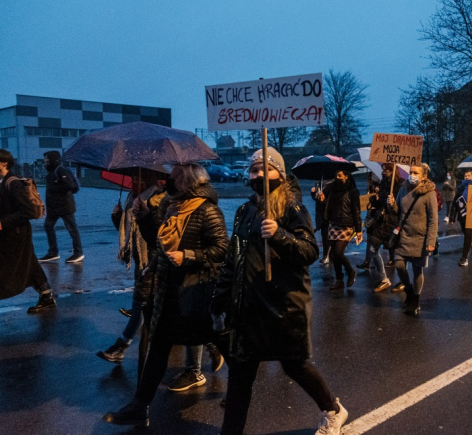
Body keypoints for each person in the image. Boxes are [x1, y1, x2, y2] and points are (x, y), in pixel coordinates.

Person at [214, 147, 348, 435]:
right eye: (254, 169)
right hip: (249, 310)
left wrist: (278, 234)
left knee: (295, 366)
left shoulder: (292, 209)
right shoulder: (244, 211)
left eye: (266, 168)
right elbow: (233, 258)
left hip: (284, 306)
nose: (259, 174)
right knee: (239, 377)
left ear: (281, 174)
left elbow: (310, 250)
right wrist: (220, 299)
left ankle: (333, 410)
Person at [103, 163, 228, 428]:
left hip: (197, 293)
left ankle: (238, 389)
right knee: (158, 348)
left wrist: (190, 256)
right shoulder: (172, 208)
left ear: (186, 183)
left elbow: (221, 250)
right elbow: (160, 243)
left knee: (218, 340)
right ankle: (140, 405)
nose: (167, 182)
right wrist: (145, 217)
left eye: (173, 178)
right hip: (169, 291)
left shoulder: (207, 211)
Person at [96, 173, 165, 364]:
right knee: (149, 307)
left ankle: (121, 346)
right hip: (139, 260)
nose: (133, 182)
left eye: (136, 179)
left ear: (147, 180)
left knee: (140, 305)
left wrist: (144, 214)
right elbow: (128, 231)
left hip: (151, 261)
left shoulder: (158, 200)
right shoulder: (132, 198)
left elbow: (157, 235)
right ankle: (208, 343)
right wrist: (117, 217)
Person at [0, 149, 57, 313]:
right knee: (30, 263)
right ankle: (46, 295)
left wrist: (3, 223)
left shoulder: (13, 183)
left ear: (4, 163)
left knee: (9, 266)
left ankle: (46, 296)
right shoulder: (4, 181)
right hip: (13, 233)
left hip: (16, 234)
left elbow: (28, 211)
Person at [387, 163, 438, 316]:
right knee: (399, 265)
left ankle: (415, 299)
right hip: (403, 236)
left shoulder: (429, 194)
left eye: (416, 172)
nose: (412, 175)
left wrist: (431, 241)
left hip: (420, 239)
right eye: (410, 172)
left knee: (417, 270)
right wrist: (391, 205)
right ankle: (408, 291)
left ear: (423, 176)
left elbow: (433, 219)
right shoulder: (403, 189)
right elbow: (398, 212)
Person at [319, 169, 362, 290]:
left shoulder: (353, 191)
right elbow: (326, 204)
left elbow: (356, 210)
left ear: (346, 177)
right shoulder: (332, 189)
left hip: (347, 224)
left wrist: (358, 230)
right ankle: (339, 280)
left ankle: (350, 271)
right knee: (334, 254)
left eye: (339, 175)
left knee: (339, 252)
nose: (337, 177)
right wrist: (322, 199)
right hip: (333, 223)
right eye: (336, 175)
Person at [38, 151, 83, 263]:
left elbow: (70, 185)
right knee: (48, 226)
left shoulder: (60, 170)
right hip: (53, 208)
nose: (46, 161)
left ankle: (78, 253)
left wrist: (54, 189)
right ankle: (53, 253)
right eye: (45, 159)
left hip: (65, 206)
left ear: (54, 159)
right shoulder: (51, 172)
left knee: (72, 229)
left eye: (47, 159)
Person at [367, 163, 403, 292]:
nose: (383, 172)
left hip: (393, 223)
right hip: (381, 222)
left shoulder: (400, 186)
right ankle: (384, 278)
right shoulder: (382, 183)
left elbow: (400, 209)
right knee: (373, 249)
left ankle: (403, 280)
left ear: (393, 171)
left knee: (399, 253)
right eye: (382, 170)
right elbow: (379, 203)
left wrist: (393, 204)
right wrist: (376, 199)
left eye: (386, 170)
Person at [450, 170, 472, 266]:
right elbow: (455, 203)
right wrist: (452, 217)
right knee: (467, 235)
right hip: (463, 216)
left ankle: (466, 256)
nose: (466, 177)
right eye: (465, 176)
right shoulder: (460, 188)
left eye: (468, 176)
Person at [311, 180, 332, 264]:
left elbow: (333, 202)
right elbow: (317, 198)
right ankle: (326, 255)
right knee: (324, 234)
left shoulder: (332, 185)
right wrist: (313, 193)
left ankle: (327, 255)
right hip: (321, 213)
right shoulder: (318, 183)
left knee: (328, 234)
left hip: (329, 213)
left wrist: (324, 200)